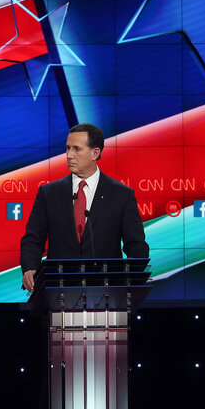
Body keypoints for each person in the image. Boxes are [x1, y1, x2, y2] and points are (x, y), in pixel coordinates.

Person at [20, 123, 149, 291]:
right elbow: (32, 239)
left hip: (108, 293)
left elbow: (136, 245)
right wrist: (30, 268)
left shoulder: (121, 195)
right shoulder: (49, 193)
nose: (69, 155)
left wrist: (133, 280)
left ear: (95, 153)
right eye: (67, 148)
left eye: (76, 149)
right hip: (59, 291)